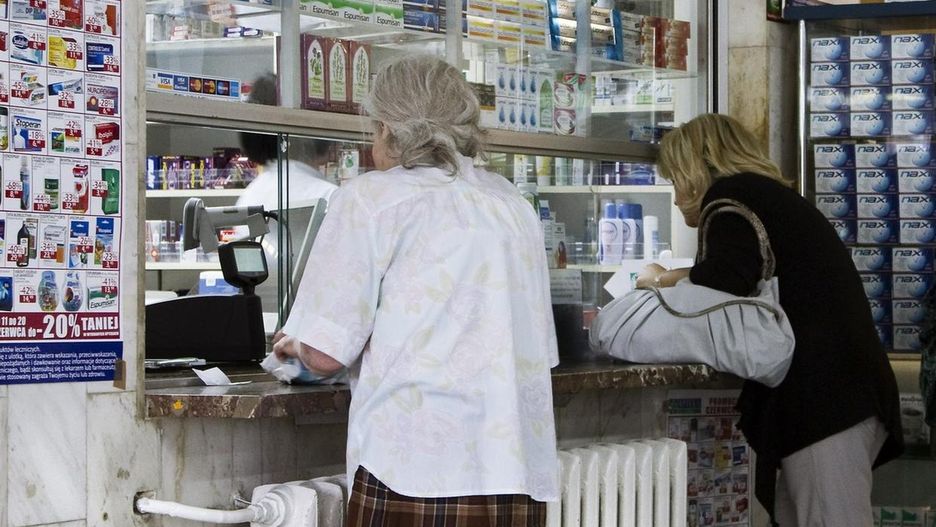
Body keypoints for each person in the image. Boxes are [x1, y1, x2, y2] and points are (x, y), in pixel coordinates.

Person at [272, 55, 560, 526]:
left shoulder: (372, 199)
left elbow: (324, 354)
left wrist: (295, 346)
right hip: (515, 475)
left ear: (388, 129)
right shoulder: (512, 205)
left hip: (413, 470)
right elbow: (538, 351)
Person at [638, 114, 903, 527]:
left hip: (825, 402)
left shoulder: (730, 197)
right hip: (842, 393)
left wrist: (659, 280)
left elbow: (722, 281)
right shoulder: (769, 198)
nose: (675, 197)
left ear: (696, 168)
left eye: (675, 180)